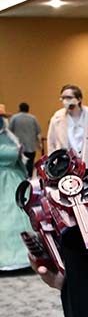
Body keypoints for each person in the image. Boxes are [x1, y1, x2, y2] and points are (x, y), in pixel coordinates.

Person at [0, 116, 30, 271]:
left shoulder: (10, 137)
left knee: (19, 213)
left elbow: (19, 163)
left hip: (14, 180)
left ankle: (27, 255)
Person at [46, 84, 88, 156]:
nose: (65, 101)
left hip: (86, 159)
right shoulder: (57, 118)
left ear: (79, 99)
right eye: (63, 98)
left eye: (69, 97)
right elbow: (51, 142)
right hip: (64, 160)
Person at [9, 102, 41, 174]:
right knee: (30, 164)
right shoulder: (33, 118)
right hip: (31, 146)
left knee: (19, 165)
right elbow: (38, 133)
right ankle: (29, 177)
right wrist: (39, 144)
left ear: (19, 109)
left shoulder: (14, 118)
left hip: (18, 147)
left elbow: (9, 132)